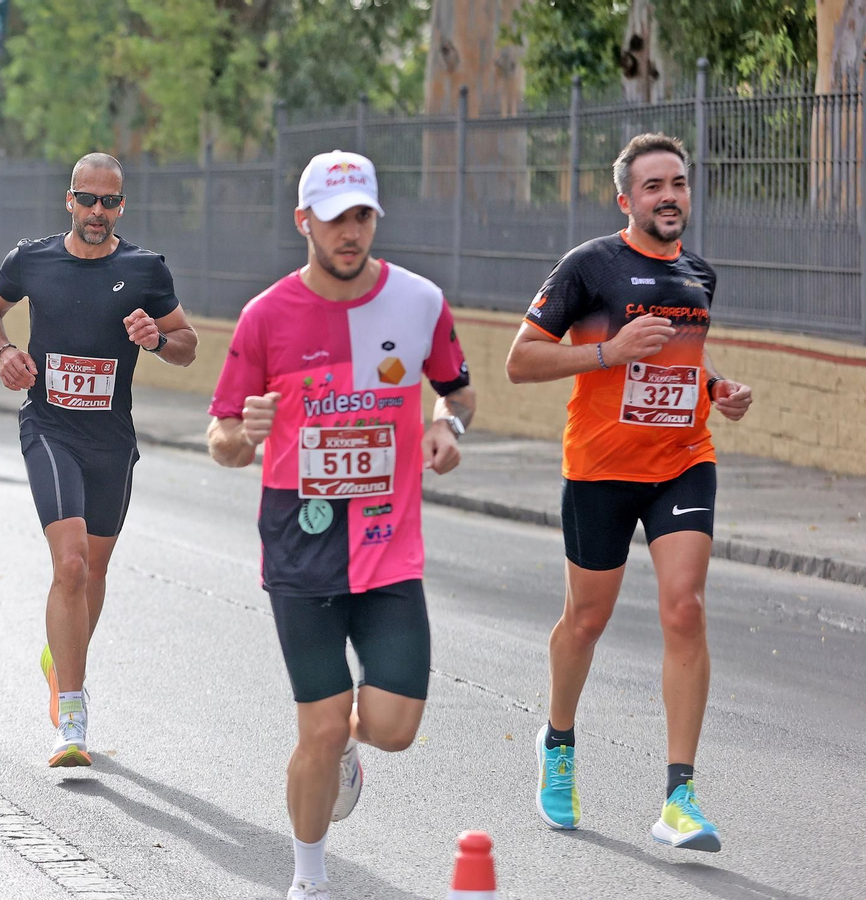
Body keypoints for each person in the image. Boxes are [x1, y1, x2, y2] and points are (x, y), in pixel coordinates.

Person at [206, 151, 474, 900]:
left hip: (390, 551)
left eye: (361, 216)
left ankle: (347, 754)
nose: (349, 233)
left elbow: (458, 389)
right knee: (319, 729)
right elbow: (222, 437)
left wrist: (449, 425)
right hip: (302, 546)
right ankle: (309, 879)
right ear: (304, 223)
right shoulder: (265, 317)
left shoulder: (420, 301)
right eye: (334, 219)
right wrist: (245, 433)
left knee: (389, 728)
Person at [506, 133, 754, 853]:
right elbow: (521, 360)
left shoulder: (701, 274)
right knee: (586, 620)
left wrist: (717, 387)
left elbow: (687, 352)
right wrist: (607, 353)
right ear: (626, 199)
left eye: (678, 182)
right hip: (601, 469)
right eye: (653, 186)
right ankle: (558, 744)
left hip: (683, 458)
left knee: (686, 607)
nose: (669, 195)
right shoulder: (590, 267)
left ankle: (680, 795)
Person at [0, 152, 199, 768]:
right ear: (68, 200)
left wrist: (157, 339)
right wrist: (4, 352)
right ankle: (71, 714)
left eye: (110, 202)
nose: (98, 212)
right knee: (68, 564)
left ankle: (58, 655)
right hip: (49, 427)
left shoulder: (145, 269)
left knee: (93, 572)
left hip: (111, 441)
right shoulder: (32, 259)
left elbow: (188, 346)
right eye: (87, 199)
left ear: (122, 206)